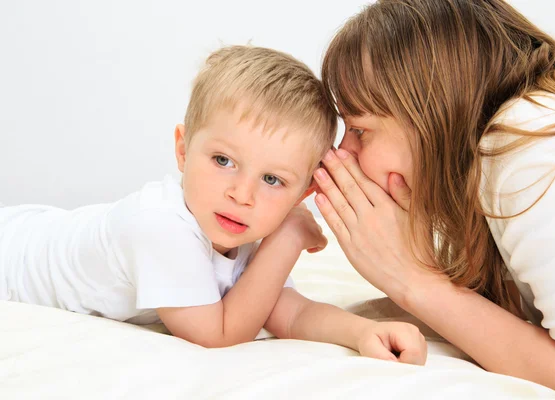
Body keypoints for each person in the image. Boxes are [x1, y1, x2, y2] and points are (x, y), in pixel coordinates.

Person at [0, 45, 427, 364]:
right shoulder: (159, 227)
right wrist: (289, 237)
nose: (242, 194)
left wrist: (364, 331)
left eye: (273, 179)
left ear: (303, 193)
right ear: (183, 150)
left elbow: (287, 313)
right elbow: (217, 336)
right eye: (224, 161)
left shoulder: (236, 229)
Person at [312, 0, 555, 398]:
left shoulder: (532, 150)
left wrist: (417, 284)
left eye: (360, 129)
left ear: (430, 109)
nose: (343, 153)